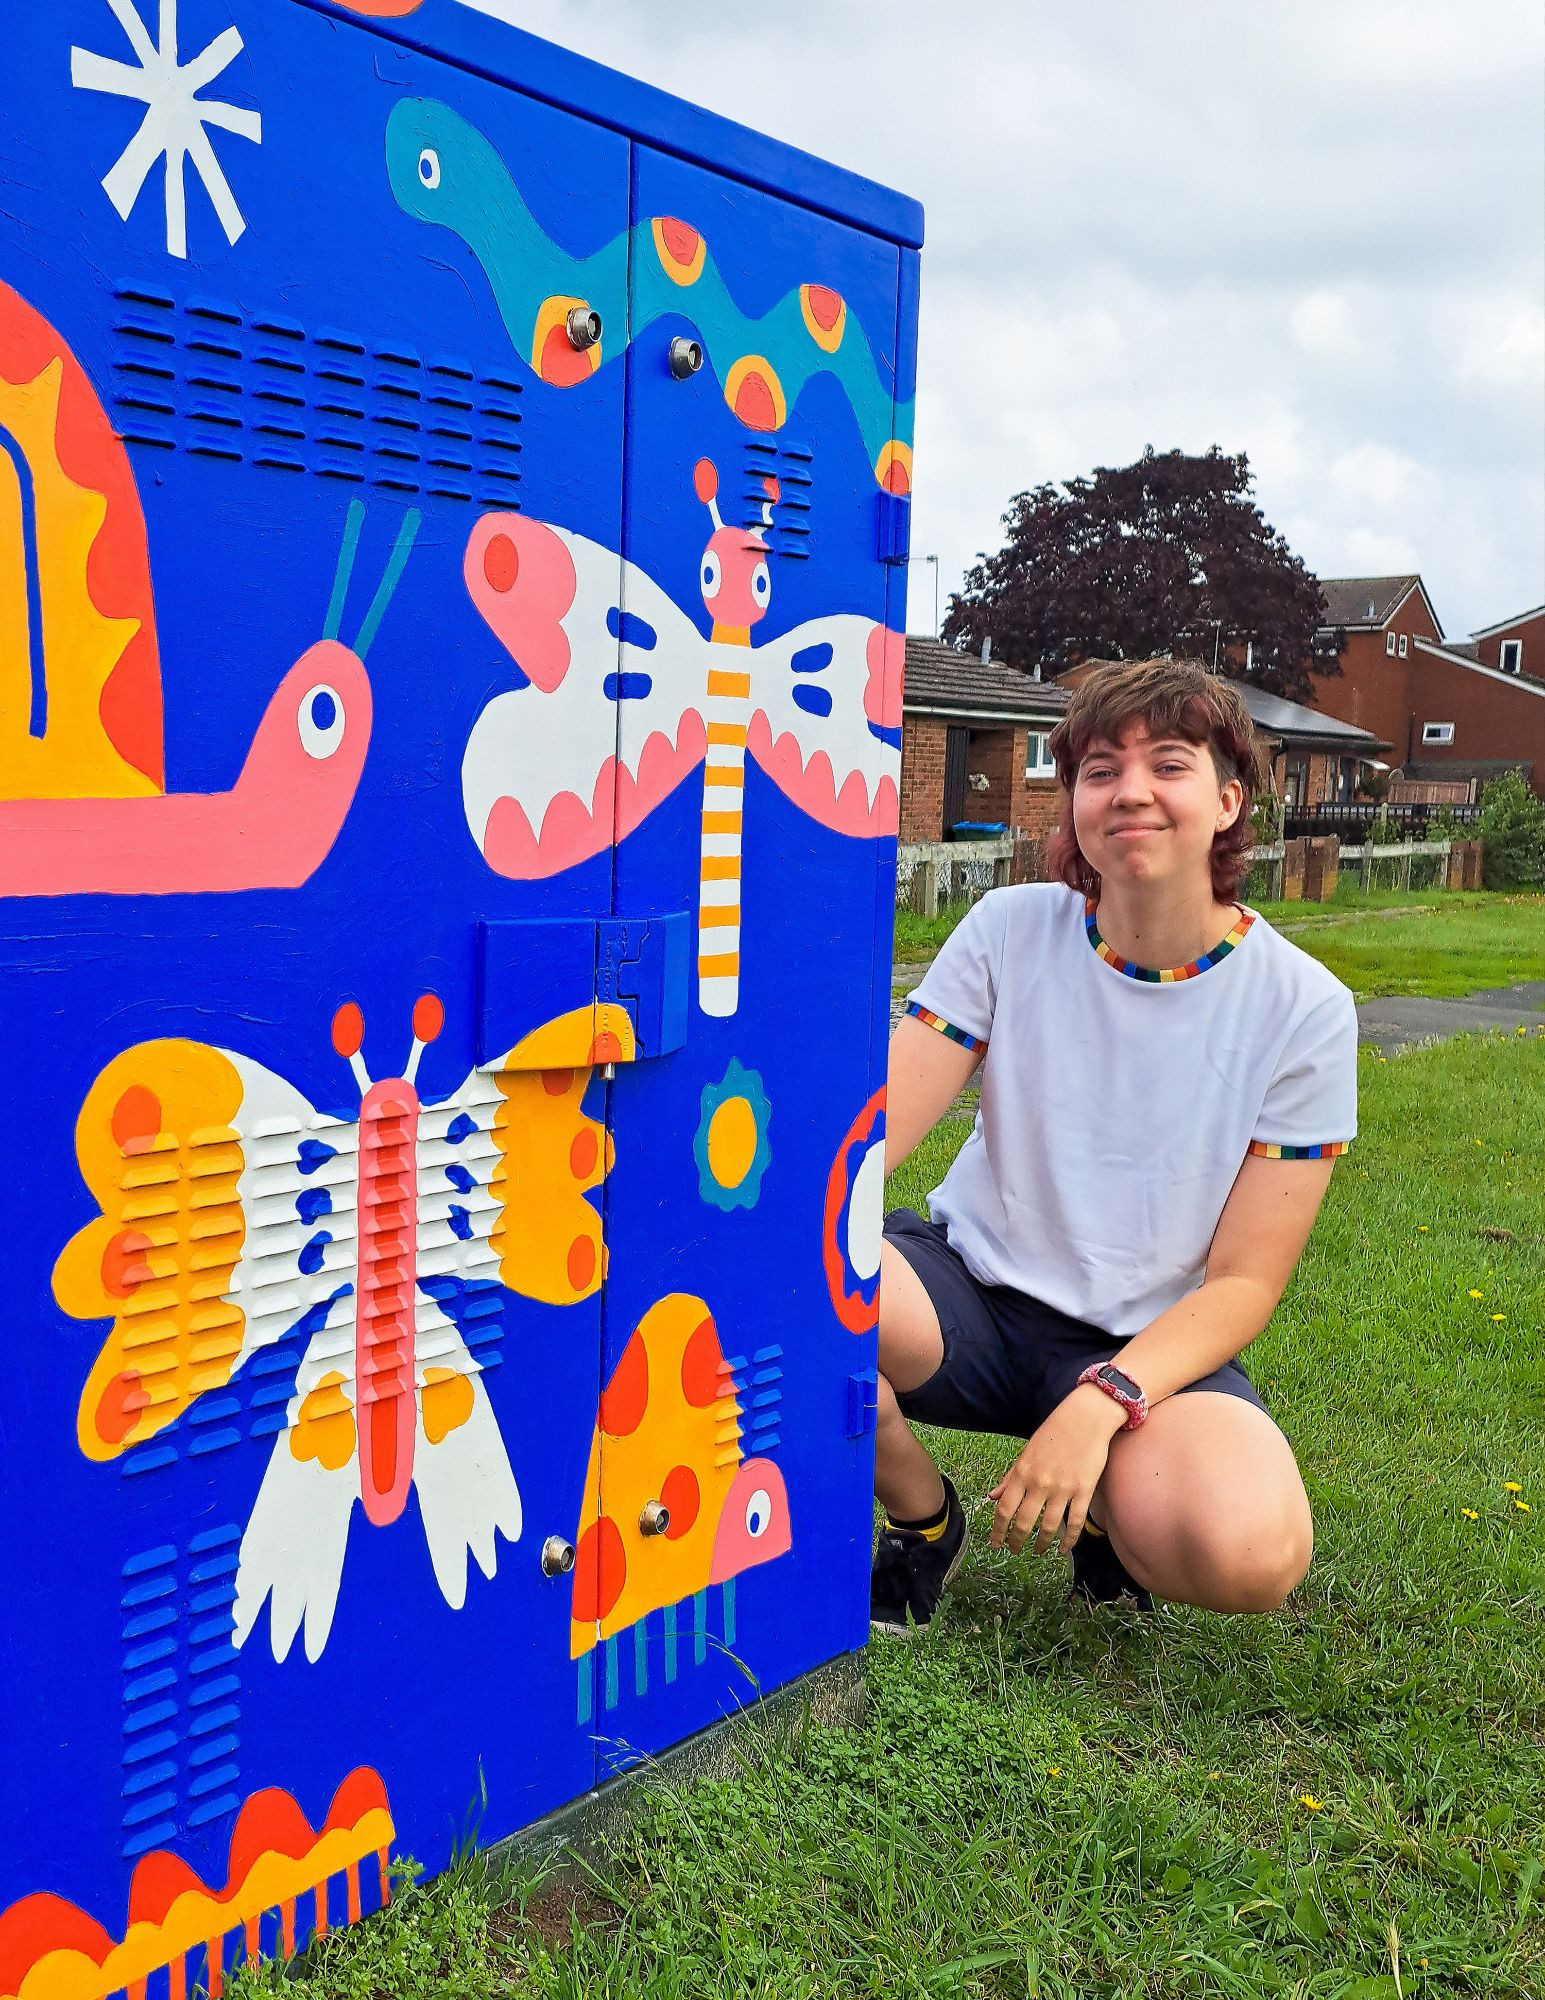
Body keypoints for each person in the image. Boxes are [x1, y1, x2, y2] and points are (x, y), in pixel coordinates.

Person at [872, 658, 1357, 1635]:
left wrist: (1101, 1404)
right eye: (1099, 769)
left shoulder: (1304, 1007)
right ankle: (924, 1521)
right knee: (791, 1257)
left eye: (1167, 763)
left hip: (1145, 1347)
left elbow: (1243, 1285)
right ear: (1076, 804)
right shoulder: (1012, 929)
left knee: (1250, 1547)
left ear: (1227, 801)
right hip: (966, 1297)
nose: (1129, 788)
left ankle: (1106, 1509)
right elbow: (866, 1146)